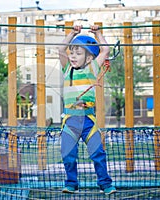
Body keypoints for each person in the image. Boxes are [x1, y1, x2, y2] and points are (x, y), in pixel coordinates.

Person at [58, 24, 116, 195]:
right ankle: (71, 184)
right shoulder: (67, 69)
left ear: (89, 58)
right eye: (72, 52)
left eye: (78, 53)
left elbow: (105, 51)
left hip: (88, 121)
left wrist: (97, 33)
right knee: (68, 154)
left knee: (98, 153)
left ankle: (105, 184)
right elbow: (61, 49)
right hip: (70, 121)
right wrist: (72, 33)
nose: (73, 56)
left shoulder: (92, 69)